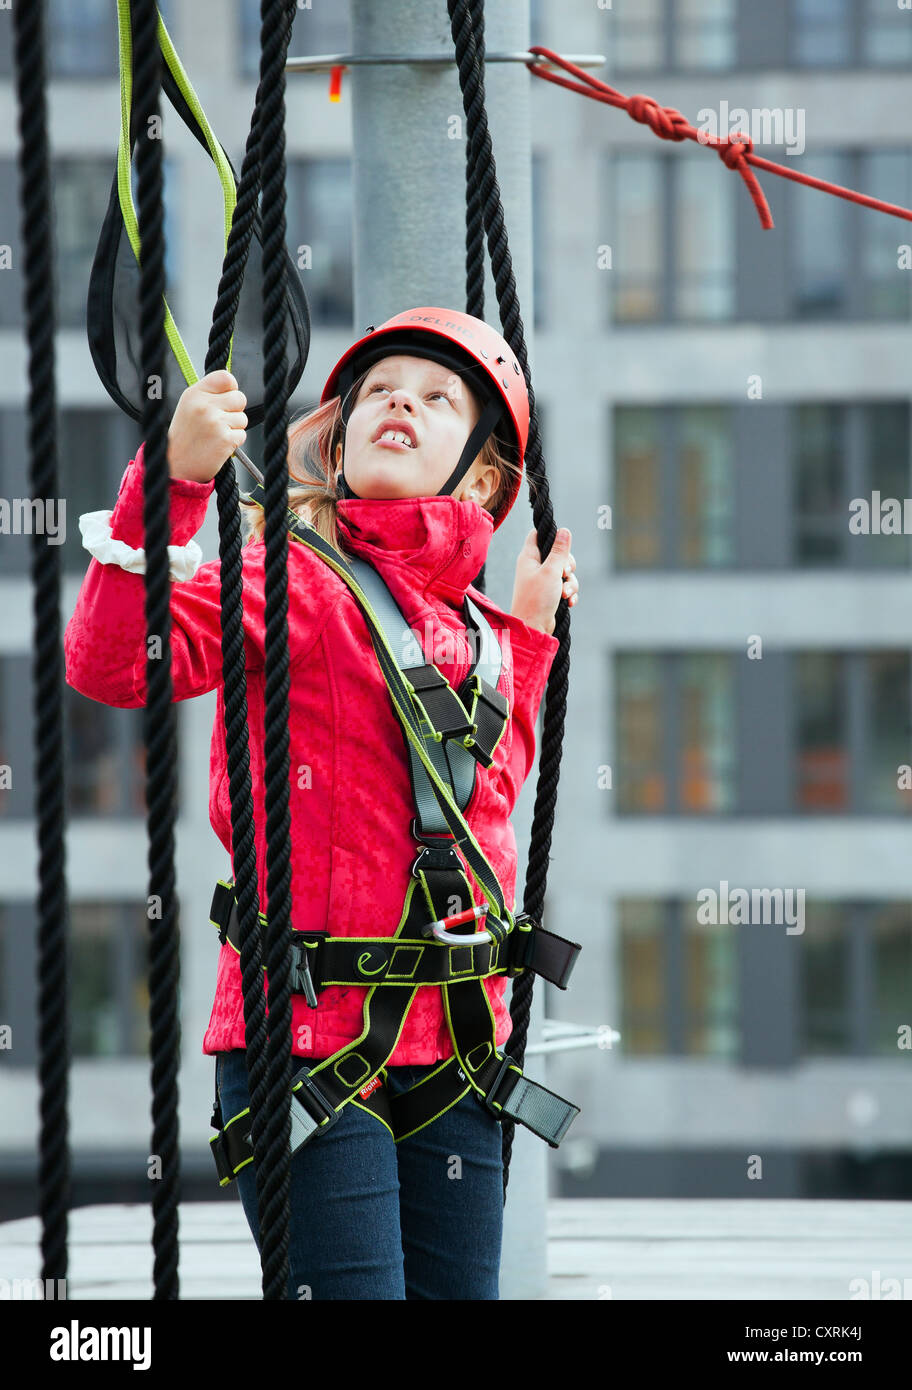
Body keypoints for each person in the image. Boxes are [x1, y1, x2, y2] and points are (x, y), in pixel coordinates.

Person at [64, 308, 580, 1300]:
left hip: (458, 1046)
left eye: (437, 400)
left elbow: (487, 809)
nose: (401, 401)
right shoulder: (283, 580)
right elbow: (112, 663)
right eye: (382, 389)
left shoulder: (478, 632)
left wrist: (525, 638)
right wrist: (167, 485)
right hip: (309, 1040)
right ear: (338, 442)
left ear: (480, 477)